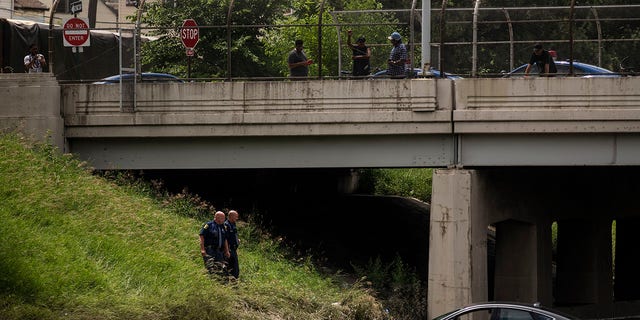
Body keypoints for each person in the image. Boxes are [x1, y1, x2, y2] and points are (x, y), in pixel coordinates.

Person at [224, 210, 240, 279]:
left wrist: (237, 240)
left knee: (235, 268)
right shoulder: (226, 225)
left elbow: (233, 235)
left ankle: (234, 281)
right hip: (229, 249)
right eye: (236, 216)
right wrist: (227, 250)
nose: (237, 218)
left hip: (234, 249)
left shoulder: (233, 224)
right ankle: (229, 281)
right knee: (231, 267)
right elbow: (225, 239)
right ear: (231, 216)